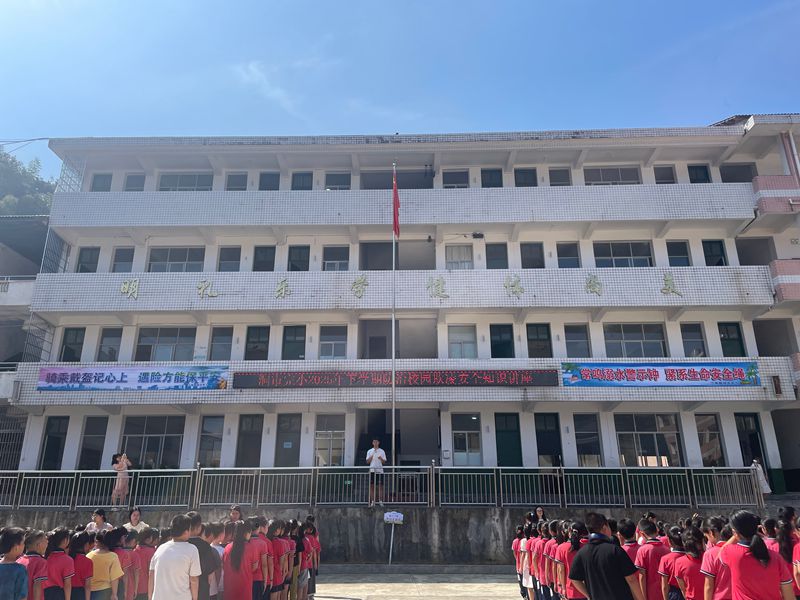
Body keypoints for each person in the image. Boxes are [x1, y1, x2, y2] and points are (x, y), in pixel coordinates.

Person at [568, 512, 644, 600]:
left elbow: (574, 579)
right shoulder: (615, 550)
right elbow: (631, 579)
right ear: (604, 527)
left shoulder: (582, 553)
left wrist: (589, 595)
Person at [720, 510, 793, 600]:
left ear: (735, 532)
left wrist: (735, 535)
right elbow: (788, 594)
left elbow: (721, 552)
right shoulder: (776, 557)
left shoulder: (731, 553)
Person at [149, 515, 201, 600]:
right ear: (186, 532)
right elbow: (194, 579)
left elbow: (151, 574)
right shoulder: (192, 550)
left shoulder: (160, 548)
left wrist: (150, 597)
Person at [634, 519, 669, 600]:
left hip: (650, 594)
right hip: (666, 594)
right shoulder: (667, 549)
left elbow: (642, 576)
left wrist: (643, 598)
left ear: (642, 534)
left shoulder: (642, 550)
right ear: (657, 531)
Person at [222, 521, 257, 600]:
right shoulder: (251, 547)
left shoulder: (227, 547)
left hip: (229, 587)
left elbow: (224, 566)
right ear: (246, 533)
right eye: (250, 532)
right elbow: (254, 567)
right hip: (245, 586)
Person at [554, 521, 589, 600]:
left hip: (570, 589)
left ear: (569, 531)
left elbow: (561, 570)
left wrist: (563, 589)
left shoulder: (562, 548)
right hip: (587, 589)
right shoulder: (588, 546)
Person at [700, 517, 732, 600]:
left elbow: (708, 586)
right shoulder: (736, 549)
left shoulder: (710, 554)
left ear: (711, 533)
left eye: (706, 536)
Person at [87, 530, 124, 600]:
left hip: (90, 591)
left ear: (96, 541)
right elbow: (114, 578)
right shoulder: (113, 556)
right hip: (106, 591)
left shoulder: (89, 556)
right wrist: (114, 594)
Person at [674, 526, 705, 600]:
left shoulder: (679, 562)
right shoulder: (710, 558)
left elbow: (683, 589)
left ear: (684, 543)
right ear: (701, 541)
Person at [43, 528, 74, 600]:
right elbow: (67, 584)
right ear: (65, 540)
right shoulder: (68, 560)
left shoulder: (45, 556)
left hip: (43, 594)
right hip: (58, 595)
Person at [18, 529, 48, 600]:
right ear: (38, 545)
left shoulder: (19, 560)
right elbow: (37, 585)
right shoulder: (41, 562)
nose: (47, 543)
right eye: (45, 541)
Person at [657, 526, 685, 600]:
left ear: (670, 541)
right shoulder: (690, 557)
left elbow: (664, 586)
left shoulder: (666, 559)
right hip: (690, 592)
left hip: (674, 594)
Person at [0, 527, 29, 600]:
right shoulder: (20, 570)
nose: (24, 546)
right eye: (23, 543)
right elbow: (22, 596)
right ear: (16, 547)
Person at [132, 528, 157, 600]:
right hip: (146, 587)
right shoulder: (151, 551)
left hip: (134, 586)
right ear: (149, 539)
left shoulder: (135, 549)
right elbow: (151, 571)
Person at [68, 531, 94, 600]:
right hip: (80, 593)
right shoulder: (88, 561)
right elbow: (87, 585)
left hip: (66, 591)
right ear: (86, 545)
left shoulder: (68, 558)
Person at [366, 439, 386, 507]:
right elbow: (367, 462)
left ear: (379, 442)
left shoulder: (382, 451)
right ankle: (372, 501)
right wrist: (371, 457)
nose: (375, 443)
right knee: (372, 486)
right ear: (372, 443)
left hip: (380, 471)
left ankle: (380, 501)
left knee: (380, 486)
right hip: (372, 470)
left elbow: (384, 462)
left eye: (376, 442)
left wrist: (380, 458)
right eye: (374, 442)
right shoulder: (369, 451)